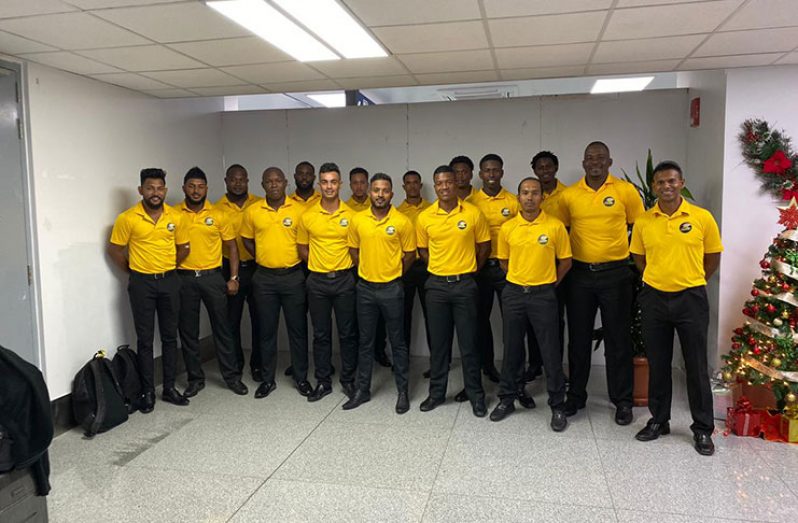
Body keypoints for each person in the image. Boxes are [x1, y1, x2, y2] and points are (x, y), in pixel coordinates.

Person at [630, 161, 722, 456]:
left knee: (695, 366)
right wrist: (659, 280)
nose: (666, 187)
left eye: (671, 181)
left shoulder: (701, 218)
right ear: (654, 186)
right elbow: (639, 259)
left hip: (690, 299)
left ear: (681, 182)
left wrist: (691, 281)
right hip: (655, 298)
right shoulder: (645, 220)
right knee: (658, 363)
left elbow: (712, 257)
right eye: (660, 183)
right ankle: (659, 420)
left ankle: (703, 429)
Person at [557, 142, 644, 425]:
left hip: (616, 274)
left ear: (609, 161)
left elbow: (640, 228)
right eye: (590, 158)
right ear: (583, 163)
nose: (595, 162)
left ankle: (622, 400)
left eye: (600, 158)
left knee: (618, 339)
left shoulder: (624, 191)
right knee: (579, 339)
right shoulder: (569, 195)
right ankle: (577, 397)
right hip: (579, 276)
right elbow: (561, 231)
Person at [491, 177, 572, 431]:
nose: (529, 197)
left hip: (543, 295)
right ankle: (507, 398)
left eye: (534, 193)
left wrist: (548, 284)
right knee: (512, 349)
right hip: (514, 294)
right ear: (518, 198)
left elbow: (566, 261)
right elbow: (504, 262)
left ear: (542, 197)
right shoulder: (508, 228)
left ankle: (558, 405)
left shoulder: (555, 226)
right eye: (524, 193)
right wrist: (521, 280)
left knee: (550, 351)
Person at [108, 168, 190, 412]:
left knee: (169, 337)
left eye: (159, 188)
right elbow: (115, 250)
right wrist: (135, 271)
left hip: (169, 281)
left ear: (165, 190)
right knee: (144, 340)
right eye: (150, 188)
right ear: (141, 190)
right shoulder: (127, 218)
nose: (155, 193)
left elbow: (184, 248)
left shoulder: (176, 217)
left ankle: (169, 388)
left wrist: (168, 269)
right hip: (141, 283)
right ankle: (147, 392)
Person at [416, 165, 490, 417]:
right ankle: (436, 393)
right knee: (439, 345)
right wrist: (439, 268)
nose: (444, 187)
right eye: (439, 183)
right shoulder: (425, 217)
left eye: (448, 182)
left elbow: (484, 247)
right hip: (436, 286)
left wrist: (468, 272)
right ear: (435, 187)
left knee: (469, 343)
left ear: (456, 183)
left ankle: (475, 394)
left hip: (465, 286)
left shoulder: (472, 213)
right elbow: (422, 250)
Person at [344, 173, 415, 413]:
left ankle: (403, 392)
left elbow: (409, 256)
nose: (380, 194)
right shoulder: (357, 220)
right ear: (370, 192)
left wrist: (392, 275)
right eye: (376, 190)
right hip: (365, 289)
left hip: (392, 289)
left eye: (385, 190)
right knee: (365, 342)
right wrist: (368, 272)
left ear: (392, 194)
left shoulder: (403, 221)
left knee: (398, 342)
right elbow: (354, 251)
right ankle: (362, 391)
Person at [175, 167, 248, 398]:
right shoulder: (173, 214)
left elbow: (233, 248)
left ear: (207, 188)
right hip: (184, 279)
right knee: (188, 331)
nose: (196, 191)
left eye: (200, 186)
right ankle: (195, 379)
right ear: (184, 188)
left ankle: (232, 377)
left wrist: (234, 277)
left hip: (212, 278)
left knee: (223, 328)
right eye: (191, 186)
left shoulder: (218, 214)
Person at [240, 167, 311, 399]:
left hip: (293, 276)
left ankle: (301, 378)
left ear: (285, 183)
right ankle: (268, 380)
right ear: (262, 185)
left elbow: (306, 243)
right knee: (266, 331)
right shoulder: (252, 212)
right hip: (265, 279)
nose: (273, 184)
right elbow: (247, 241)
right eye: (268, 181)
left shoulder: (300, 210)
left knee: (298, 330)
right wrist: (264, 257)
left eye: (277, 180)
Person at [297, 162, 358, 402]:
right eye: (325, 182)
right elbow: (302, 247)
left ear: (340, 184)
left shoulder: (352, 215)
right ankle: (323, 381)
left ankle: (349, 380)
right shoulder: (308, 215)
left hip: (344, 280)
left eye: (333, 181)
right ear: (318, 184)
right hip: (318, 282)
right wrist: (320, 264)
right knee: (321, 335)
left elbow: (357, 249)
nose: (329, 186)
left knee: (348, 334)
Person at [470, 153, 519, 388]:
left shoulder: (513, 201)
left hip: (507, 269)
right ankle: (486, 367)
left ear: (502, 172)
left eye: (495, 170)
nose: (491, 174)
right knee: (479, 322)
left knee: (512, 323)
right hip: (479, 269)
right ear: (480, 175)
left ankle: (514, 375)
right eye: (487, 170)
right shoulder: (470, 203)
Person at [215, 164, 264, 381]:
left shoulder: (259, 204)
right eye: (233, 179)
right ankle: (235, 365)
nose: (237, 183)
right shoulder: (217, 208)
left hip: (256, 268)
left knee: (260, 320)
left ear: (248, 181)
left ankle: (258, 365)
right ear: (226, 181)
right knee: (231, 321)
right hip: (229, 269)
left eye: (242, 179)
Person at [524, 150, 568, 382]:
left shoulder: (569, 195)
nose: (545, 171)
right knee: (531, 320)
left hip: (558, 266)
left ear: (556, 168)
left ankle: (556, 368)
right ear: (534, 171)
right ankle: (535, 365)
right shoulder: (528, 195)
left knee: (555, 321)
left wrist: (555, 277)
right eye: (540, 168)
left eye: (548, 167)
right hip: (532, 266)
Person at [347, 166, 391, 367]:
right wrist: (361, 266)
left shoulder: (381, 205)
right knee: (357, 317)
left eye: (362, 182)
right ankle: (359, 355)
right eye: (355, 182)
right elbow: (352, 247)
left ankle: (379, 351)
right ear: (350, 185)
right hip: (356, 271)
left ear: (368, 186)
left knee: (381, 315)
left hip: (382, 273)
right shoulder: (346, 209)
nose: (359, 186)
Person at [396, 170, 433, 355]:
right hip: (406, 267)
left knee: (433, 315)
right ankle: (403, 360)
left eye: (415, 182)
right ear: (403, 187)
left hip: (429, 266)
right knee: (403, 315)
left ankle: (437, 361)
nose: (412, 186)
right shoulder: (396, 212)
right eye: (408, 183)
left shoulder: (433, 209)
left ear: (420, 185)